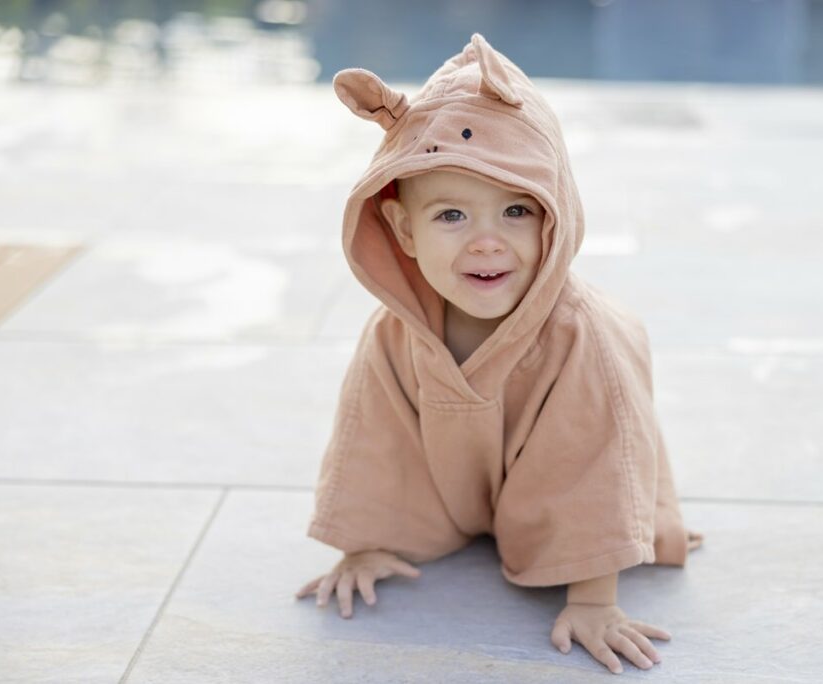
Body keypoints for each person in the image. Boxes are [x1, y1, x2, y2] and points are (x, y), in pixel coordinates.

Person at [294, 32, 702, 675]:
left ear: (553, 216)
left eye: (515, 210)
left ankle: (544, 533)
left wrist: (594, 597)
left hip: (580, 458)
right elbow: (377, 440)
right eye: (451, 216)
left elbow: (596, 459)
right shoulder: (395, 333)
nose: (487, 243)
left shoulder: (582, 343)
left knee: (583, 443)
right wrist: (366, 544)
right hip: (457, 475)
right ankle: (464, 516)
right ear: (403, 230)